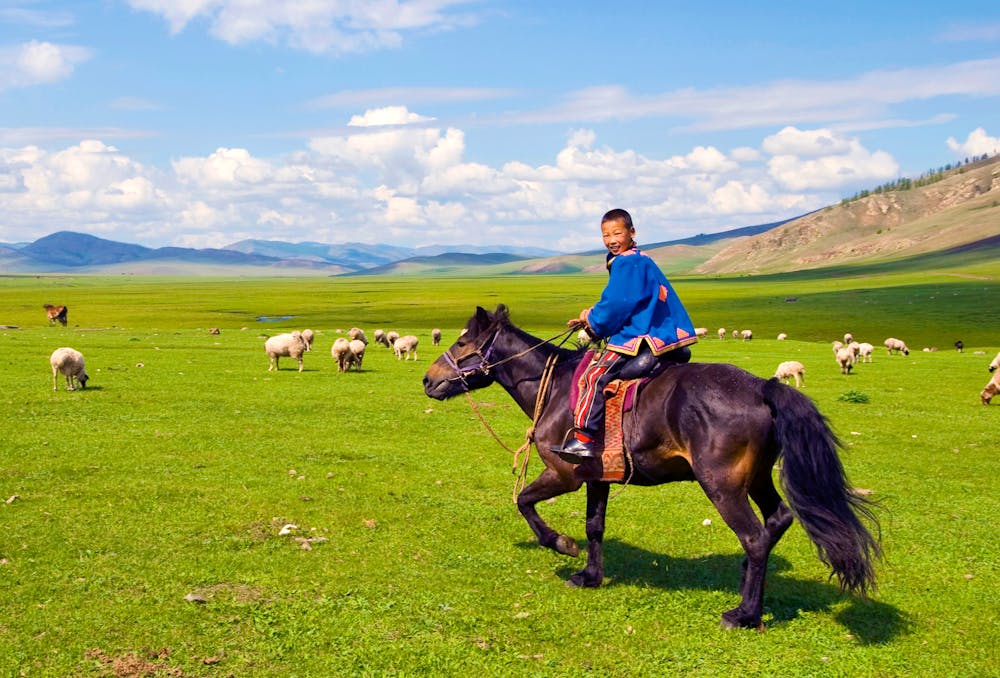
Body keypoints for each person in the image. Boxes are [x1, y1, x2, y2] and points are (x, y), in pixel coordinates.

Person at [552, 208, 698, 464]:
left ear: (632, 232)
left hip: (640, 335)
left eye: (617, 233)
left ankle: (584, 439)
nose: (611, 239)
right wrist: (589, 316)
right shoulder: (640, 259)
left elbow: (618, 305)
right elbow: (618, 300)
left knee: (593, 375)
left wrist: (593, 323)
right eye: (605, 235)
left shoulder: (626, 262)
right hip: (660, 332)